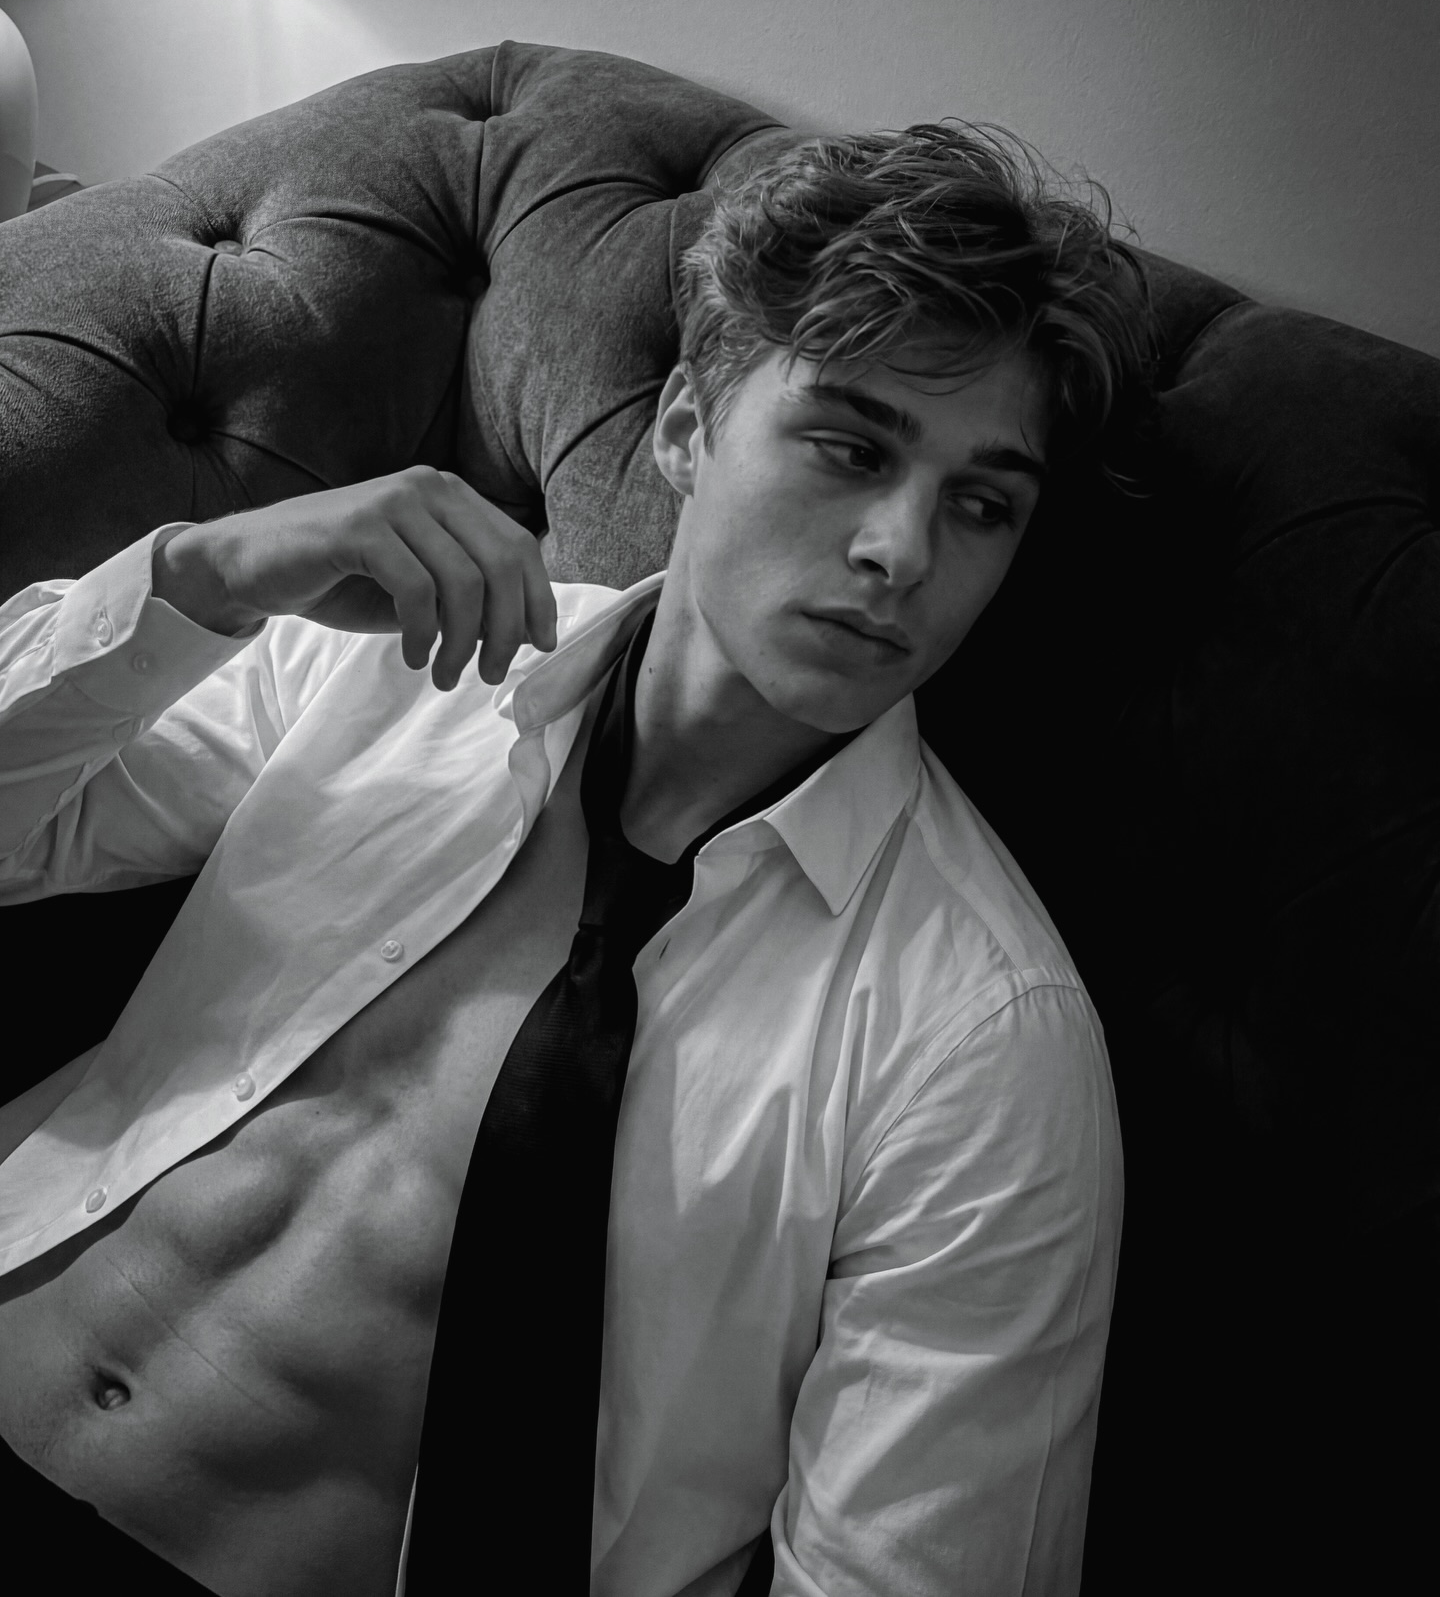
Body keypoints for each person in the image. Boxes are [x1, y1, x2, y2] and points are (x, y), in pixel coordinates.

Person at [0, 124, 1149, 1597]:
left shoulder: (984, 1045)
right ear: (685, 427)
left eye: (982, 503)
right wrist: (203, 577)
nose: (900, 552)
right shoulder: (404, 661)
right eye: (851, 447)